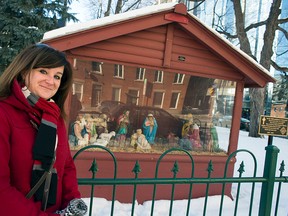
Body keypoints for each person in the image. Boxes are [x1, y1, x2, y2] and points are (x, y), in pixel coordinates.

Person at [0, 44, 87, 216]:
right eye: (43, 71)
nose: (50, 81)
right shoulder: (4, 114)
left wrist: (72, 201)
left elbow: (66, 166)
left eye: (57, 76)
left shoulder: (54, 117)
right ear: (24, 71)